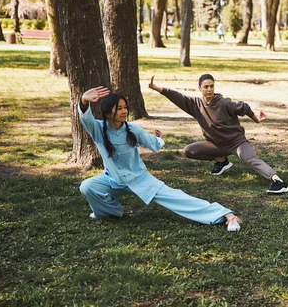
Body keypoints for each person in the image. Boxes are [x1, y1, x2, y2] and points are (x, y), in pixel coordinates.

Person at [78, 86, 242, 231]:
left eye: (125, 107)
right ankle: (111, 212)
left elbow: (153, 144)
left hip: (140, 179)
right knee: (88, 186)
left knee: (176, 197)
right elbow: (86, 118)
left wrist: (159, 139)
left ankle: (225, 214)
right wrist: (84, 100)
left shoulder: (133, 129)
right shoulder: (98, 129)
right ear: (107, 112)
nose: (124, 111)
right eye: (118, 108)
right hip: (112, 180)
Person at [149, 74, 288, 194]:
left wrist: (256, 120)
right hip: (216, 145)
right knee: (189, 151)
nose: (209, 89)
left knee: (251, 159)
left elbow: (244, 107)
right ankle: (222, 161)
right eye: (206, 87)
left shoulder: (224, 103)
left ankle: (278, 182)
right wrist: (157, 88)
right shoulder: (195, 105)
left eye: (211, 86)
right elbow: (176, 96)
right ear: (199, 88)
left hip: (236, 143)